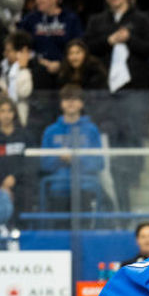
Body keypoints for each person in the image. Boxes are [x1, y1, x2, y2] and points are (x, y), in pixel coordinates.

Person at [85, 0, 149, 212]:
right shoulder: (98, 21)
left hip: (134, 89)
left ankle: (134, 176)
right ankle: (118, 181)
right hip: (106, 91)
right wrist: (109, 40)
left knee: (134, 132)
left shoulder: (141, 19)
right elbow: (88, 47)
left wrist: (131, 40)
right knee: (112, 135)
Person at [40, 84, 104, 212]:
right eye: (66, 99)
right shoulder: (50, 131)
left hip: (85, 186)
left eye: (74, 99)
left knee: (85, 229)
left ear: (81, 104)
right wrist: (59, 158)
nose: (70, 103)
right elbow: (43, 163)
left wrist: (76, 159)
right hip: (58, 187)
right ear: (61, 104)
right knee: (59, 229)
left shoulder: (92, 130)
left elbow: (99, 162)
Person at [19, 0, 84, 92]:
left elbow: (79, 45)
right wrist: (39, 62)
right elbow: (21, 44)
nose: (37, 0)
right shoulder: (30, 19)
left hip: (66, 70)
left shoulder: (70, 19)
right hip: (38, 70)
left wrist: (62, 64)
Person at [0, 95, 36, 219]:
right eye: (2, 111)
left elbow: (32, 163)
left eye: (10, 111)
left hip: (22, 186)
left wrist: (14, 177)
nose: (6, 115)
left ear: (14, 113)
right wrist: (2, 184)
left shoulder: (25, 136)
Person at [0, 30, 33, 127]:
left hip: (26, 124)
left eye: (8, 51)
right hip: (3, 125)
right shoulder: (4, 69)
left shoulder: (36, 70)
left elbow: (24, 92)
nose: (5, 54)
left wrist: (23, 70)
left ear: (22, 51)